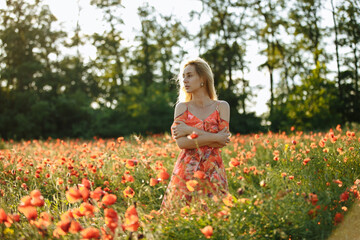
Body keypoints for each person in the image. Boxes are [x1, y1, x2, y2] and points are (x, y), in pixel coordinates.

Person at [161, 57, 231, 210]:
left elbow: (222, 142)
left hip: (213, 170)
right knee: (182, 218)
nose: (184, 80)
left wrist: (189, 131)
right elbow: (182, 143)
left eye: (189, 75)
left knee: (215, 218)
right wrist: (214, 137)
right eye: (183, 76)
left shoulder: (222, 107)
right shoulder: (182, 108)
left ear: (203, 78)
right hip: (187, 171)